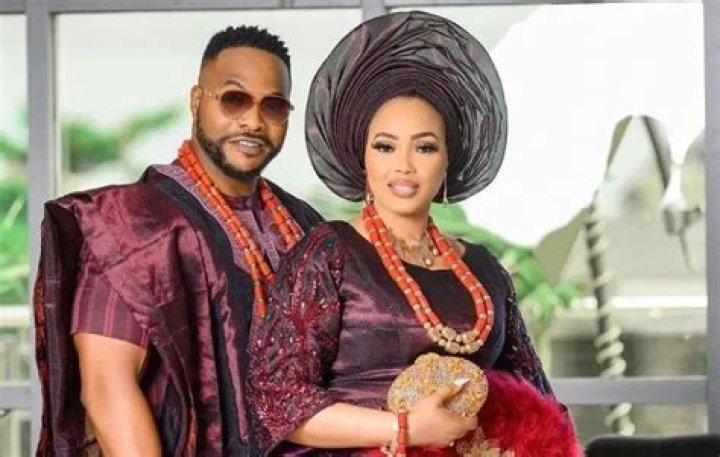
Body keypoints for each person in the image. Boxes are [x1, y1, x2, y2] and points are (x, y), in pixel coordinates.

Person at [248, 11, 579, 456]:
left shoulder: (484, 270)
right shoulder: (329, 254)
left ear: (447, 161)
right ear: (362, 157)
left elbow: (539, 401)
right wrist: (404, 427)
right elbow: (279, 402)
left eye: (424, 147)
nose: (403, 165)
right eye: (385, 146)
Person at [33, 25, 322, 456]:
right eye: (234, 99)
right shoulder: (133, 225)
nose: (253, 121)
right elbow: (108, 387)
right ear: (196, 101)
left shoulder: (302, 223)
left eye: (273, 106)